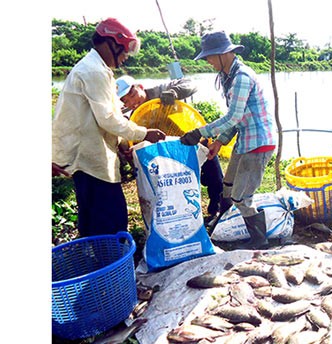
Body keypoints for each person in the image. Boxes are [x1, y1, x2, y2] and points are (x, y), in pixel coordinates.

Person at [52, 18, 166, 238]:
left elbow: (109, 114)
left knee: (94, 216)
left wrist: (123, 144)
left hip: (89, 154)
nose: (124, 58)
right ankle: (109, 263)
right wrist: (144, 133)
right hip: (89, 158)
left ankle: (98, 259)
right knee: (111, 219)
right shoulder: (94, 71)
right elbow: (108, 119)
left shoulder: (97, 68)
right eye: (123, 52)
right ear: (110, 44)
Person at [180, 31, 276, 249]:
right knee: (228, 186)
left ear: (224, 54)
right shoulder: (228, 76)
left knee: (241, 196)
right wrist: (219, 142)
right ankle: (222, 223)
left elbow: (233, 116)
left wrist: (200, 133)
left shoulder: (242, 77)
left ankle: (260, 241)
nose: (208, 61)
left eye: (210, 57)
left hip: (259, 143)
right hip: (245, 140)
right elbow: (236, 120)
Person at [115, 75, 224, 223]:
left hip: (188, 139)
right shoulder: (133, 116)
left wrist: (174, 93)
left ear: (140, 87)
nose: (133, 102)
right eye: (126, 101)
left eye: (133, 95)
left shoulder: (161, 91)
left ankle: (217, 209)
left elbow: (191, 83)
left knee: (214, 174)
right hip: (167, 155)